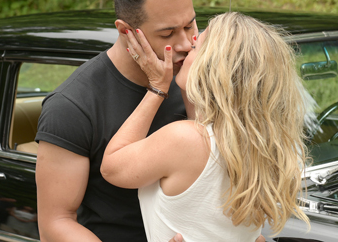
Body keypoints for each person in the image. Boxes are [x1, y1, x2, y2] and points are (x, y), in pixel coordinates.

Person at [101, 12, 310, 242]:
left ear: (211, 67)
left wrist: (157, 88)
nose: (185, 50)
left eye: (195, 47)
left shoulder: (185, 139)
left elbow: (112, 167)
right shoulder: (269, 147)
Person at [35, 0, 198, 242]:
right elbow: (55, 223)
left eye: (190, 25)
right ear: (126, 31)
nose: (186, 43)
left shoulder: (193, 78)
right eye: (168, 34)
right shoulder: (72, 106)